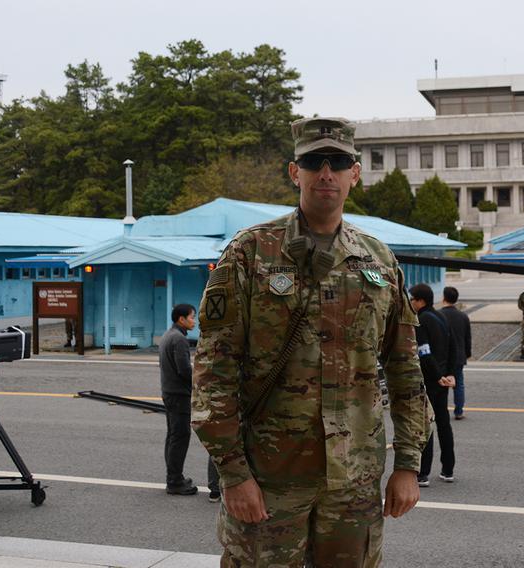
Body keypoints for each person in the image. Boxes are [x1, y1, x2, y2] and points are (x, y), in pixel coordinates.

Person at [191, 116, 431, 567]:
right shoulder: (250, 252)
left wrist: (408, 463)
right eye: (313, 161)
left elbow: (405, 368)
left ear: (354, 173)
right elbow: (213, 371)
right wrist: (234, 473)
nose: (326, 173)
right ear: (294, 171)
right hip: (270, 478)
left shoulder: (378, 260)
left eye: (338, 162)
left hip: (355, 482)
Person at [159, 303, 220, 500]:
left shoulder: (169, 335)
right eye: (192, 317)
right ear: (181, 319)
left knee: (173, 436)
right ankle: (175, 481)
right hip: (179, 395)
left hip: (169, 392)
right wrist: (201, 384)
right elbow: (184, 370)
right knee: (180, 437)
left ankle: (174, 478)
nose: (194, 320)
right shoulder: (179, 340)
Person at [410, 284, 456, 486]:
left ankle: (423, 473)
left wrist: (437, 376)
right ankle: (448, 469)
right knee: (444, 424)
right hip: (444, 380)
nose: (410, 302)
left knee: (426, 424)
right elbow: (453, 347)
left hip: (430, 380)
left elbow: (424, 352)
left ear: (420, 301)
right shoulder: (442, 317)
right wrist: (450, 374)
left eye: (412, 299)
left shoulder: (421, 320)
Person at [440, 286, 471, 420]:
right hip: (459, 356)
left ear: (443, 298)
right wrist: (467, 353)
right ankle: (459, 411)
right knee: (458, 384)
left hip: (442, 356)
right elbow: (467, 337)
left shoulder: (438, 315)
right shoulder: (463, 316)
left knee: (442, 385)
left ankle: (441, 410)